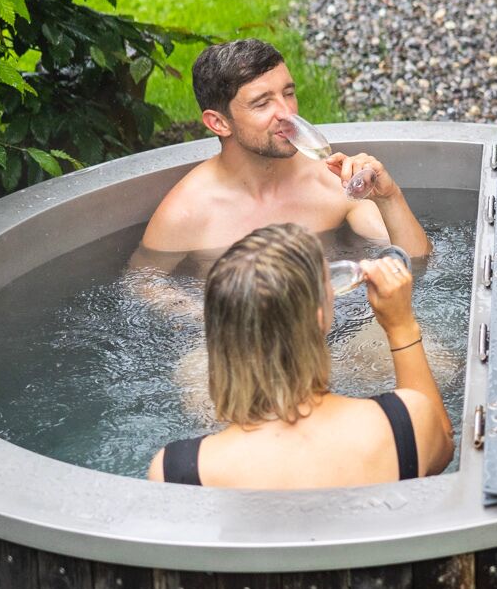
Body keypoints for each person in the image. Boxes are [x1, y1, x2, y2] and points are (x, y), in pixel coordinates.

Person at [147, 223, 454, 488]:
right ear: (321, 318)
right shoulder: (404, 423)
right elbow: (442, 448)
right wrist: (400, 326)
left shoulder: (177, 470)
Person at [130, 39, 432, 294]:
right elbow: (143, 286)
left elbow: (416, 265)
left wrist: (389, 198)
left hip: (340, 320)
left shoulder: (329, 181)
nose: (287, 113)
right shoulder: (187, 213)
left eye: (288, 93)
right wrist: (214, 319)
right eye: (262, 103)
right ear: (219, 123)